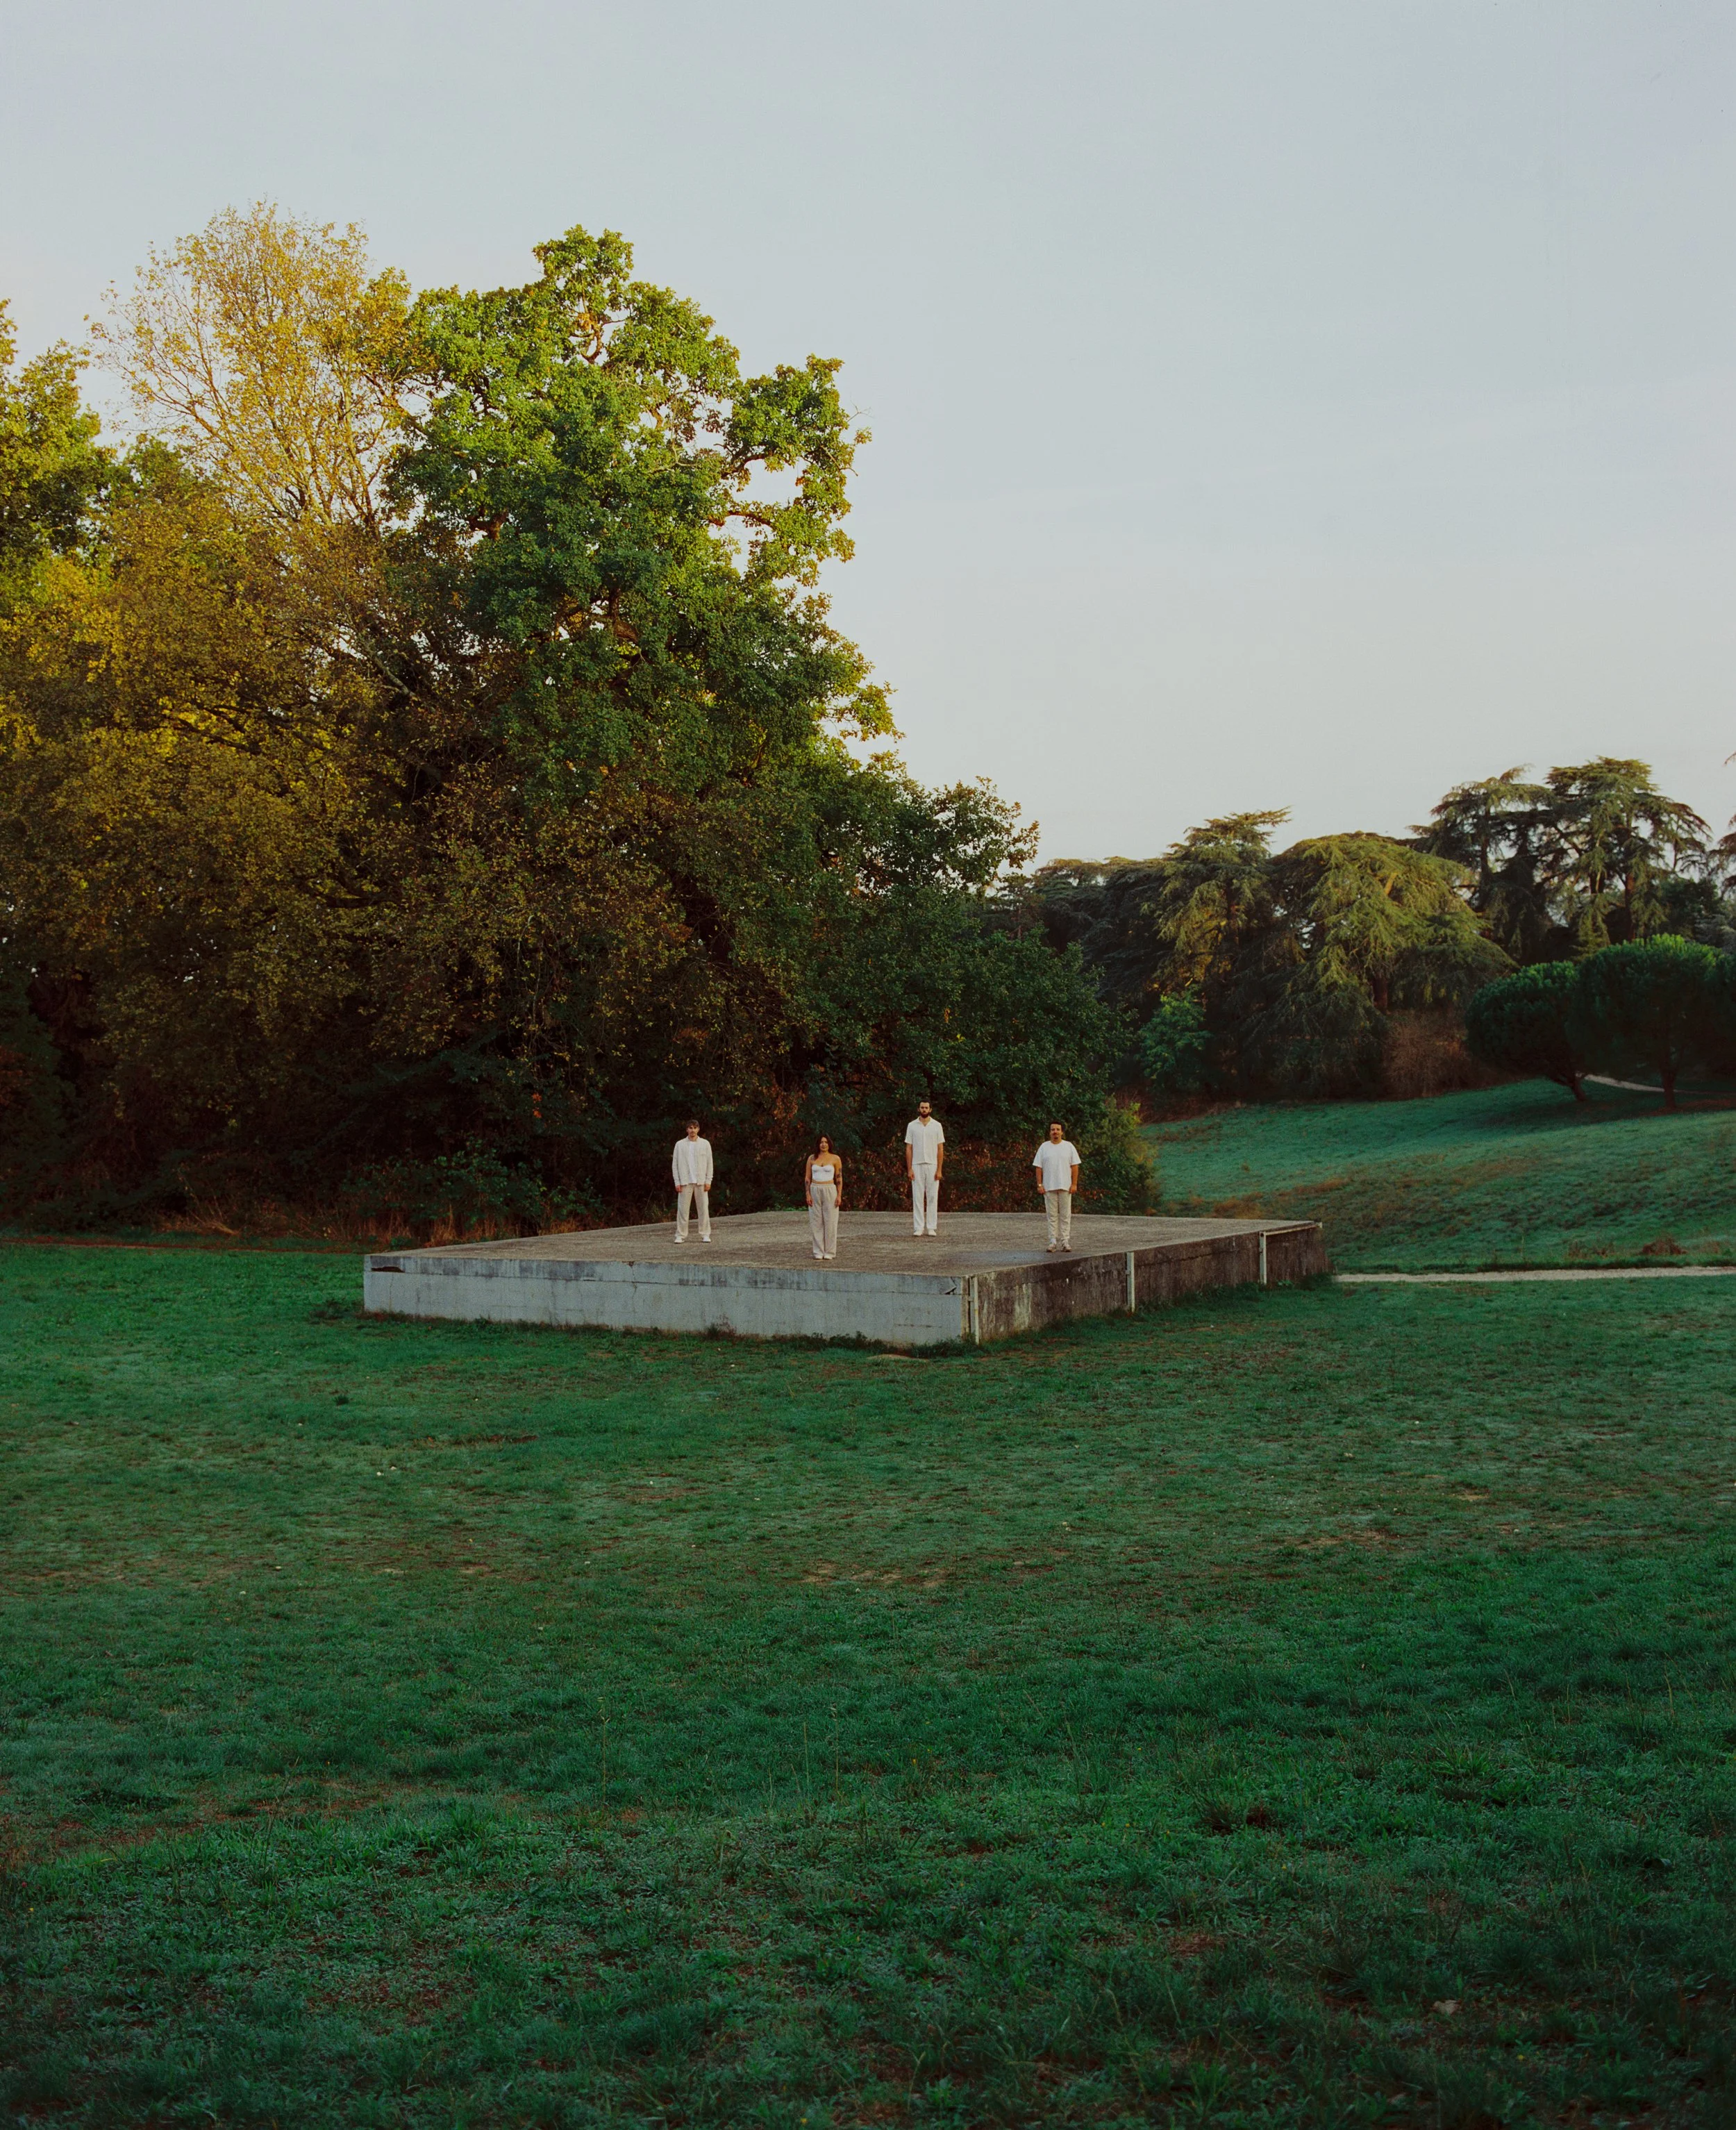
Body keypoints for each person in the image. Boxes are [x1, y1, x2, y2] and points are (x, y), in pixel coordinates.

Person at [1033, 1121, 1080, 1251]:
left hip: (1065, 1186)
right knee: (1052, 1215)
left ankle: (1065, 1241)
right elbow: (1038, 1167)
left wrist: (1074, 1184)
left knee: (1065, 1215)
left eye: (1058, 1130)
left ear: (1062, 1132)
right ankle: (1052, 1241)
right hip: (1049, 1186)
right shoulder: (1044, 1147)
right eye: (1053, 1129)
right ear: (1050, 1132)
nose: (1055, 1132)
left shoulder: (1069, 1146)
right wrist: (1040, 1184)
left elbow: (1075, 1166)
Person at [904, 1098, 945, 1237]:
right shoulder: (912, 1126)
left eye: (926, 1108)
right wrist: (909, 1168)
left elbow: (940, 1149)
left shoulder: (937, 1126)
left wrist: (939, 1169)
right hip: (917, 1164)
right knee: (917, 1196)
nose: (924, 1110)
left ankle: (932, 1227)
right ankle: (919, 1227)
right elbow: (909, 1148)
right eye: (922, 1107)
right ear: (919, 1109)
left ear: (930, 1109)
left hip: (932, 1165)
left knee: (933, 1196)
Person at [671, 1119, 713, 1242]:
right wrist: (677, 1182)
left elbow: (710, 1163)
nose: (692, 1130)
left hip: (701, 1182)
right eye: (690, 1128)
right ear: (687, 1130)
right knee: (683, 1210)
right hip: (685, 1182)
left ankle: (705, 1234)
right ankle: (680, 1235)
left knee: (704, 1209)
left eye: (695, 1128)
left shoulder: (705, 1144)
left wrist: (708, 1181)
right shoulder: (680, 1145)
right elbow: (675, 1165)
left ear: (698, 1129)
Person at [804, 1134, 844, 1260]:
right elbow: (807, 1178)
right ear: (818, 1144)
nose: (823, 1144)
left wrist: (839, 1195)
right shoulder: (812, 1158)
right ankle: (818, 1251)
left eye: (826, 1142)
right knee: (816, 1222)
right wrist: (808, 1194)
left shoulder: (835, 1159)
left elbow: (839, 1178)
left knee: (830, 1221)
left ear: (829, 1144)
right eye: (821, 1142)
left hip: (830, 1190)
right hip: (815, 1189)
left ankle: (830, 1252)